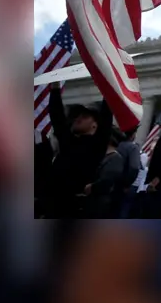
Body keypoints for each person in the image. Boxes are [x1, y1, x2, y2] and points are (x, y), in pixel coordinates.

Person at [45, 82, 113, 218]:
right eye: (78, 116)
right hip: (51, 202)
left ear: (95, 125)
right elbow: (57, 116)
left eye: (85, 116)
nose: (78, 119)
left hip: (73, 207)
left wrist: (108, 84)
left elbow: (106, 115)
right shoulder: (68, 140)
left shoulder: (97, 144)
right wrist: (55, 89)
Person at [81, 128, 126, 218]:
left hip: (100, 204)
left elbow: (107, 181)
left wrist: (92, 187)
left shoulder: (116, 158)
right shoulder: (101, 155)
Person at [115, 126, 142, 218]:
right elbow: (134, 167)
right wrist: (127, 184)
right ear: (133, 134)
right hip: (124, 186)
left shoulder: (117, 145)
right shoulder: (133, 148)